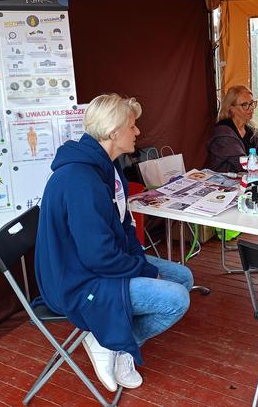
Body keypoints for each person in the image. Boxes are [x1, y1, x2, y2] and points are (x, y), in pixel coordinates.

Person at [35, 93, 193, 392]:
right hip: (77, 281)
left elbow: (123, 226)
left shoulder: (109, 168)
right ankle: (113, 341)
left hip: (97, 265)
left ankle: (114, 341)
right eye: (132, 126)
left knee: (182, 276)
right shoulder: (81, 180)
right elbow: (99, 257)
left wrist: (140, 262)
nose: (137, 132)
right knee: (176, 299)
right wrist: (144, 270)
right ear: (113, 132)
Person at [206, 84, 258, 173]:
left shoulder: (253, 132)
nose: (251, 108)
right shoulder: (223, 133)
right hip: (223, 182)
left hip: (248, 178)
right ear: (231, 108)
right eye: (244, 105)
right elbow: (242, 164)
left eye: (252, 103)